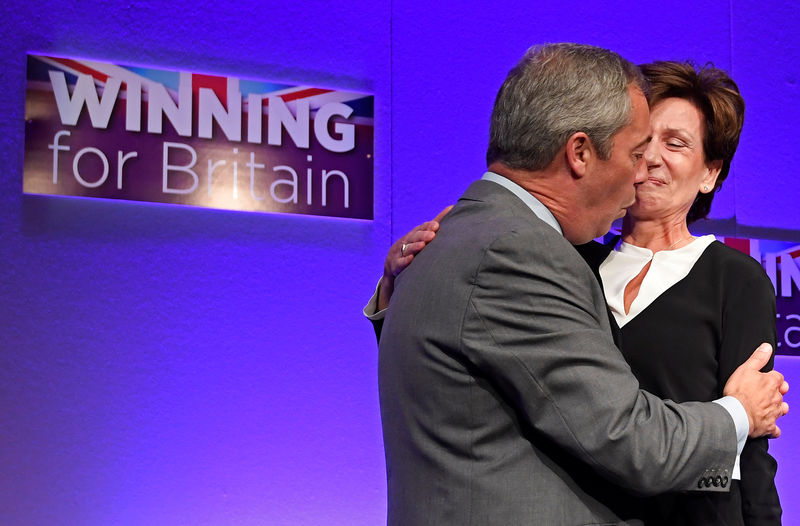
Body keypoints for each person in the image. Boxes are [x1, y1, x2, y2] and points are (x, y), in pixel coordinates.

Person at [371, 43, 788, 525]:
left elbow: (750, 461)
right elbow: (474, 367)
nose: (646, 162)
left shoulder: (733, 277)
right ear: (584, 151)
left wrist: (740, 432)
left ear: (710, 173)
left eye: (674, 144)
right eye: (640, 144)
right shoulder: (553, 255)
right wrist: (395, 292)